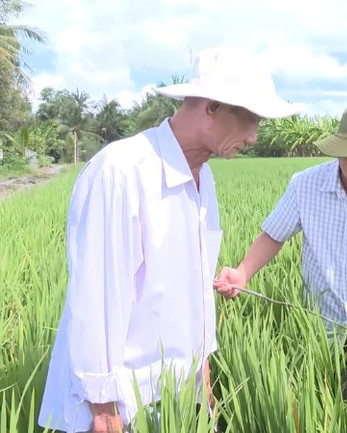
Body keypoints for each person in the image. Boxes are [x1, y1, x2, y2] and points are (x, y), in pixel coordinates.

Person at [37, 46, 298, 432]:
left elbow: (194, 294)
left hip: (174, 400)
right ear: (211, 107)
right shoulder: (122, 171)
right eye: (250, 120)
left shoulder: (203, 178)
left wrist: (202, 377)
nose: (254, 136)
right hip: (118, 402)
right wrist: (103, 409)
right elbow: (98, 299)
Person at [214, 102, 347, 365]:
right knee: (320, 395)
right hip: (318, 324)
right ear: (341, 150)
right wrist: (242, 273)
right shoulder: (305, 185)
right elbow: (274, 235)